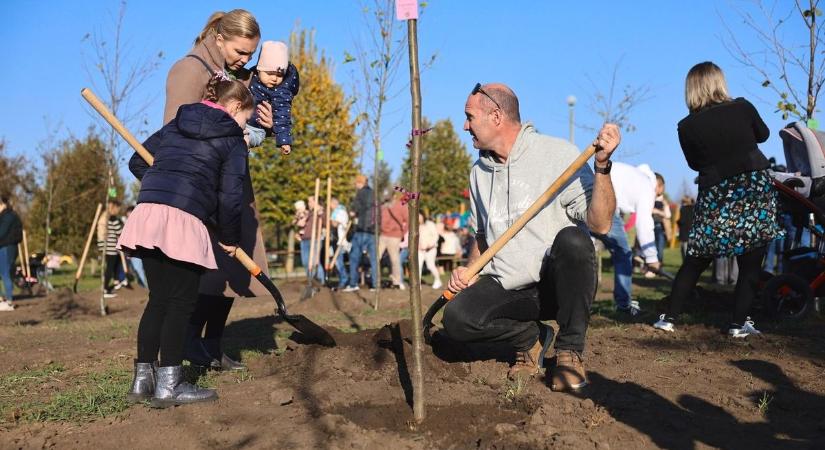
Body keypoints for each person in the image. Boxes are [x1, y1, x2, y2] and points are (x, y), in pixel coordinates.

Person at [441, 83, 618, 392]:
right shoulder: (478, 173)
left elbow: (600, 224)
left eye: (469, 117)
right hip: (510, 289)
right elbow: (483, 235)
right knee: (457, 318)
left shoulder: (557, 154)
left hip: (554, 284)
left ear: (496, 116)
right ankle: (531, 339)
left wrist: (602, 167)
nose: (464, 125)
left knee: (574, 240)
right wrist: (470, 272)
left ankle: (569, 352)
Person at [119, 76, 253, 407]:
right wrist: (230, 238)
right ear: (235, 106)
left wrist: (167, 182)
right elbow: (231, 195)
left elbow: (138, 161)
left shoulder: (178, 122)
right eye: (245, 119)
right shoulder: (232, 139)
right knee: (180, 303)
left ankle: (142, 381)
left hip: (147, 212)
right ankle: (169, 386)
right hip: (183, 221)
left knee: (158, 300)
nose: (244, 127)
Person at [163, 10, 271, 371]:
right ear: (220, 38)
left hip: (231, 180)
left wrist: (262, 127)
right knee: (207, 267)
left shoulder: (230, 75)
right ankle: (191, 342)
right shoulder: (190, 70)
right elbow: (177, 129)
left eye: (250, 55)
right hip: (202, 184)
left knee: (230, 268)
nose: (245, 61)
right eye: (241, 52)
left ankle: (212, 344)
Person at [653, 62, 784, 337]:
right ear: (719, 82)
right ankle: (738, 323)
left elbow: (693, 163)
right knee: (751, 259)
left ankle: (669, 318)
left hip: (716, 193)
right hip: (753, 188)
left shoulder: (686, 126)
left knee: (696, 258)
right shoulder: (742, 107)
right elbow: (764, 134)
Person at [592, 162, 660, 315]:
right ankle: (624, 305)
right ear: (658, 186)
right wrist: (651, 258)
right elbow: (644, 223)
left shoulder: (631, 175)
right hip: (603, 205)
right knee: (623, 254)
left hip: (585, 199)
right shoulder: (647, 185)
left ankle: (575, 304)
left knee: (582, 254)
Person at [246, 41, 300, 152]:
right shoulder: (249, 78)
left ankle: (243, 142)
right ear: (259, 69)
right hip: (240, 122)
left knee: (243, 139)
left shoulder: (281, 92)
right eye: (269, 73)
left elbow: (282, 115)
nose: (274, 78)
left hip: (256, 129)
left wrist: (284, 141)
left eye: (279, 75)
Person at [343, 174, 377, 292]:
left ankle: (353, 284)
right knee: (373, 259)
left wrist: (352, 212)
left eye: (356, 183)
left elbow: (355, 210)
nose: (355, 186)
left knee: (354, 257)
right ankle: (375, 285)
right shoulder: (374, 194)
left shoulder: (360, 193)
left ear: (359, 183)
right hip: (373, 230)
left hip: (361, 229)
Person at [378, 192, 408, 289]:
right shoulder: (383, 206)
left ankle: (397, 281)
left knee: (394, 259)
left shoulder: (400, 205)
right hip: (384, 235)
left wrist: (402, 233)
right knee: (377, 257)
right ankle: (377, 279)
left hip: (394, 236)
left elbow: (408, 220)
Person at [97, 200, 124, 298]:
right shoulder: (112, 218)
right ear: (114, 207)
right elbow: (119, 231)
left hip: (110, 247)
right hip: (110, 248)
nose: (118, 211)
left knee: (116, 264)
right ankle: (105, 288)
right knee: (110, 268)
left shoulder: (105, 217)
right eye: (118, 209)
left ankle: (116, 281)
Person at [0, 195, 22, 311]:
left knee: (5, 272)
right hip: (3, 246)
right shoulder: (4, 216)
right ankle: (2, 299)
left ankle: (9, 301)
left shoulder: (9, 216)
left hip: (7, 247)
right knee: (3, 272)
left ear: (3, 204)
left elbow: (1, 232)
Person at [299, 195, 326, 283]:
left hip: (315, 240)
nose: (308, 203)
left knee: (315, 262)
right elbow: (300, 225)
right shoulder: (309, 213)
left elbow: (326, 223)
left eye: (310, 201)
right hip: (304, 240)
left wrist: (320, 213)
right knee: (306, 263)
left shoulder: (321, 211)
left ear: (315, 202)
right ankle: (311, 281)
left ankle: (321, 282)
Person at [328, 197, 350, 289]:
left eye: (330, 205)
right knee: (337, 261)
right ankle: (343, 278)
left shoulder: (339, 212)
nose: (330, 207)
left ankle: (344, 279)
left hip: (341, 240)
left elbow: (335, 224)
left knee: (338, 261)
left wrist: (330, 219)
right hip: (338, 240)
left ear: (334, 204)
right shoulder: (340, 211)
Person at [652, 173, 673, 266]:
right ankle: (651, 264)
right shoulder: (650, 199)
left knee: (660, 247)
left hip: (660, 227)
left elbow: (668, 215)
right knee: (651, 247)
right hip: (650, 226)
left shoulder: (664, 201)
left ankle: (659, 264)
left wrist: (659, 212)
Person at [418, 213, 443, 290]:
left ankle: (438, 280)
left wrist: (430, 245)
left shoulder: (430, 224)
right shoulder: (415, 225)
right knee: (418, 266)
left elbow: (436, 236)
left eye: (420, 216)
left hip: (430, 249)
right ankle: (417, 284)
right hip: (420, 250)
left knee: (430, 266)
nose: (419, 218)